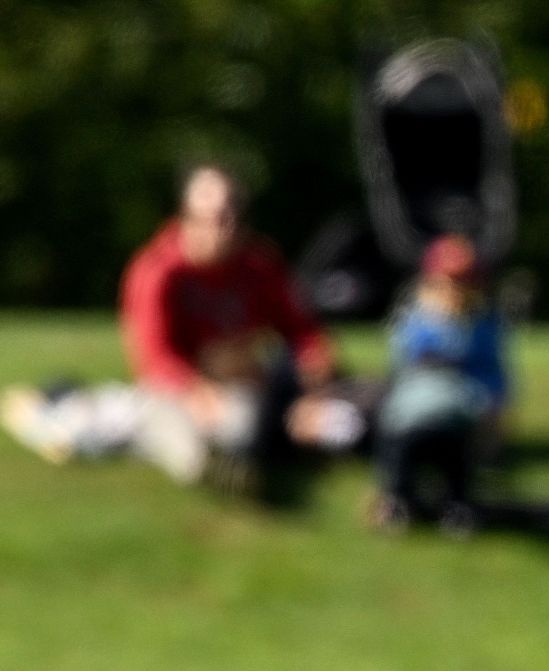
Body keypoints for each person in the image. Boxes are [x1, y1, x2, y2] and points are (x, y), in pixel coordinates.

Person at [6, 165, 362, 484]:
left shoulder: (258, 265)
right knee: (184, 443)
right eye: (212, 218)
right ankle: (60, 415)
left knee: (248, 424)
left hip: (241, 386)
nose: (223, 230)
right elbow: (154, 357)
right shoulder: (158, 271)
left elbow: (299, 326)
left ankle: (80, 408)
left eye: (232, 218)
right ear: (186, 218)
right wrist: (196, 390)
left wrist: (314, 355)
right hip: (177, 392)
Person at [370, 235, 510, 533]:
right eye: (445, 283)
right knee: (397, 445)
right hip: (411, 414)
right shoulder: (414, 322)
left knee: (458, 456)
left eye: (462, 283)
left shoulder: (484, 326)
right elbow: (403, 365)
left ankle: (457, 503)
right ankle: (396, 498)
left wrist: (494, 412)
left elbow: (494, 375)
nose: (453, 292)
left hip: (460, 416)